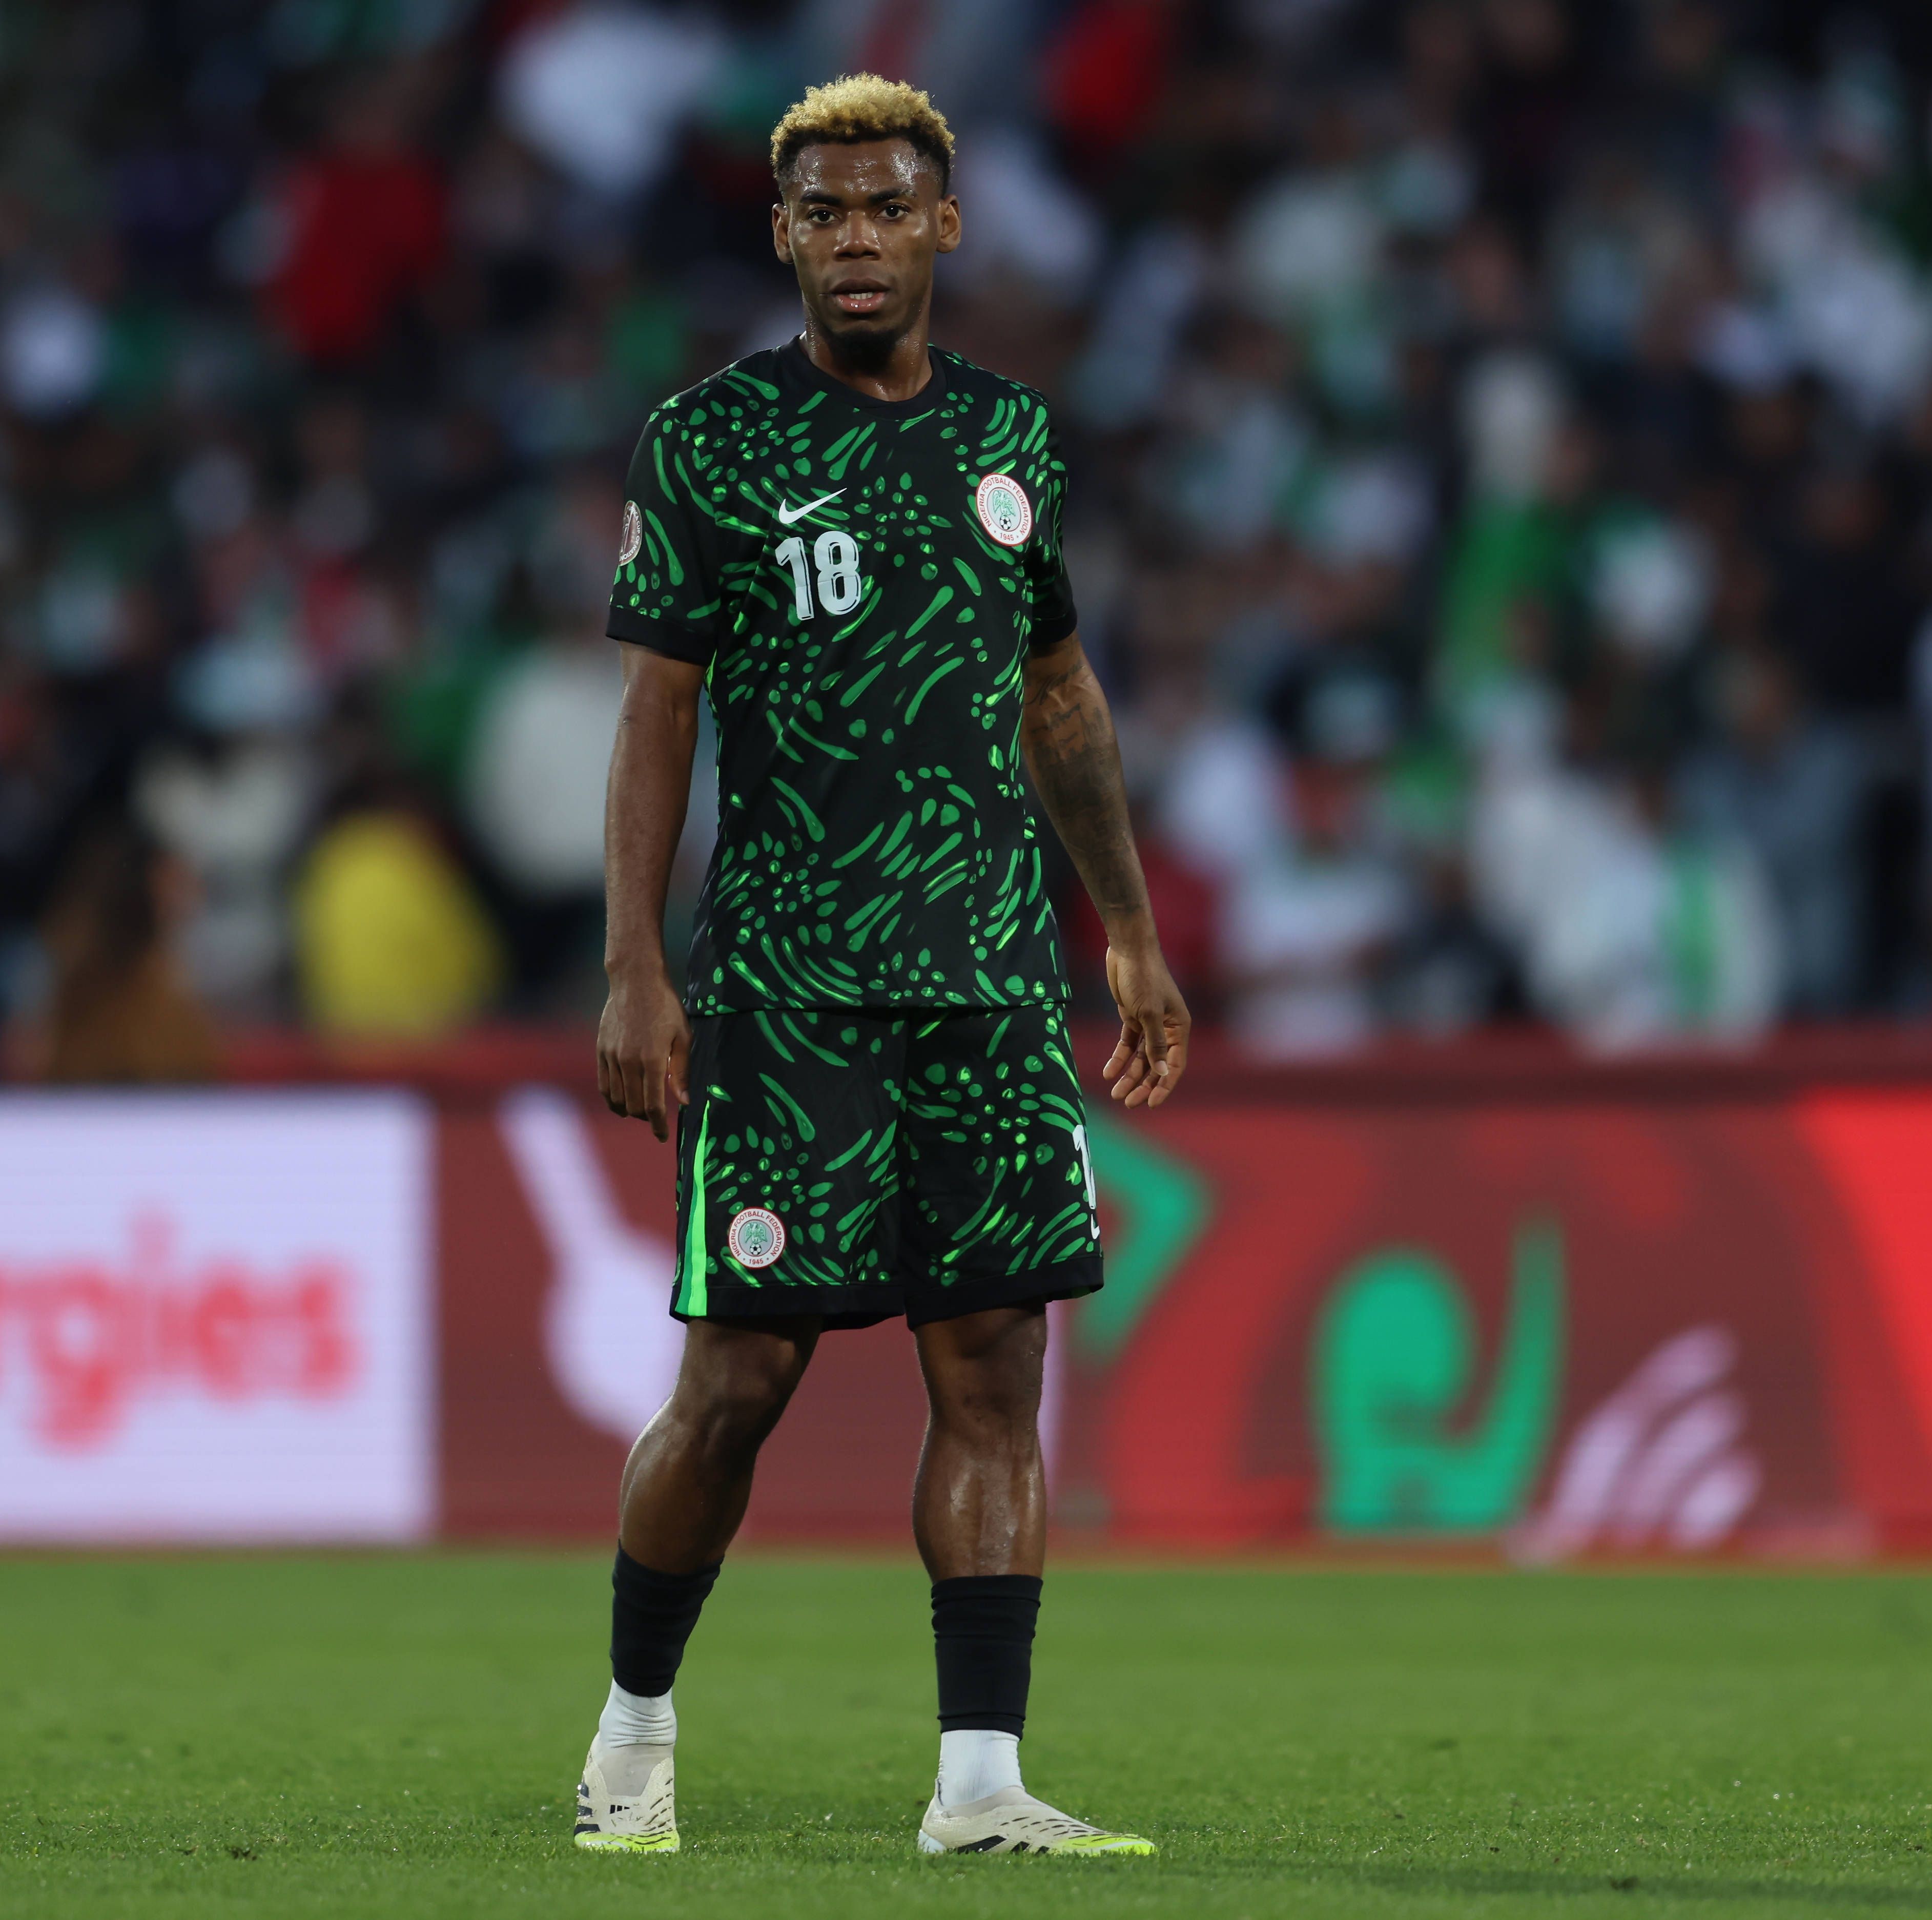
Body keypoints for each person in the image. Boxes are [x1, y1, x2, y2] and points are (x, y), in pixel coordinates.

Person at [582, 74, 1190, 1859]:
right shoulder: (708, 441)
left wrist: (1130, 934)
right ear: (782, 235)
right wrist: (634, 962)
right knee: (740, 1382)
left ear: (944, 225)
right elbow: (657, 714)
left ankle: (978, 1785)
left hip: (992, 983)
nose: (855, 240)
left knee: (994, 1368)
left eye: (884, 209)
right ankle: (631, 1729)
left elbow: (1058, 697)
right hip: (786, 986)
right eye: (822, 213)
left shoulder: (1016, 441)